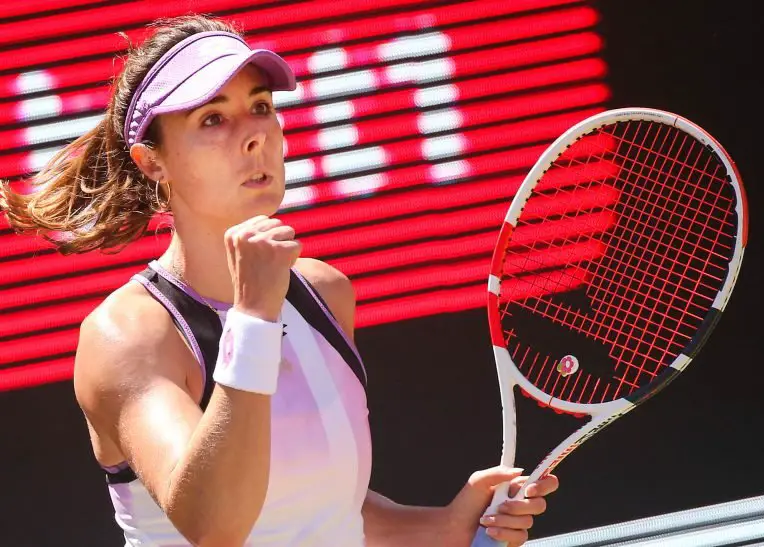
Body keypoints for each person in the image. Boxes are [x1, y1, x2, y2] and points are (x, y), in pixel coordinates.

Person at [0, 15, 558, 547]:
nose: (254, 135)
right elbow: (215, 528)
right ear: (152, 162)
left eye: (261, 107)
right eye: (213, 119)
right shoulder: (128, 337)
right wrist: (253, 321)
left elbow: (324, 515)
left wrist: (444, 527)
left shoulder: (326, 294)